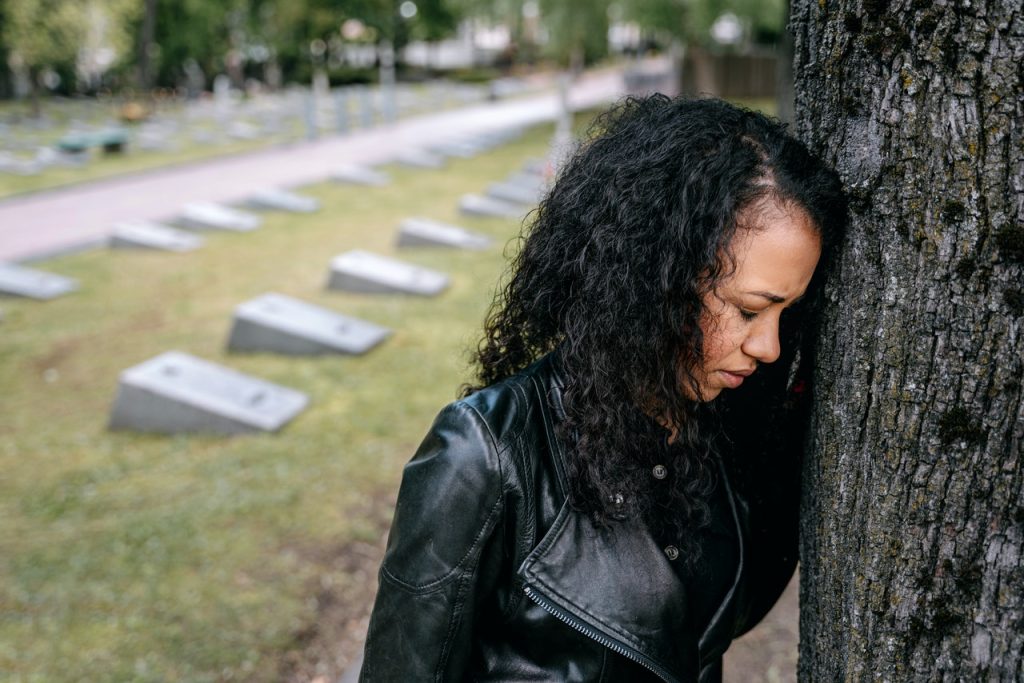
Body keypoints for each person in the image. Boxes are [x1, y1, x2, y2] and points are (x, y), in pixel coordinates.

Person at [358, 94, 847, 682]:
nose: (769, 347)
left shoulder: (723, 427)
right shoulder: (484, 454)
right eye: (748, 311)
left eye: (785, 315)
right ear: (656, 276)